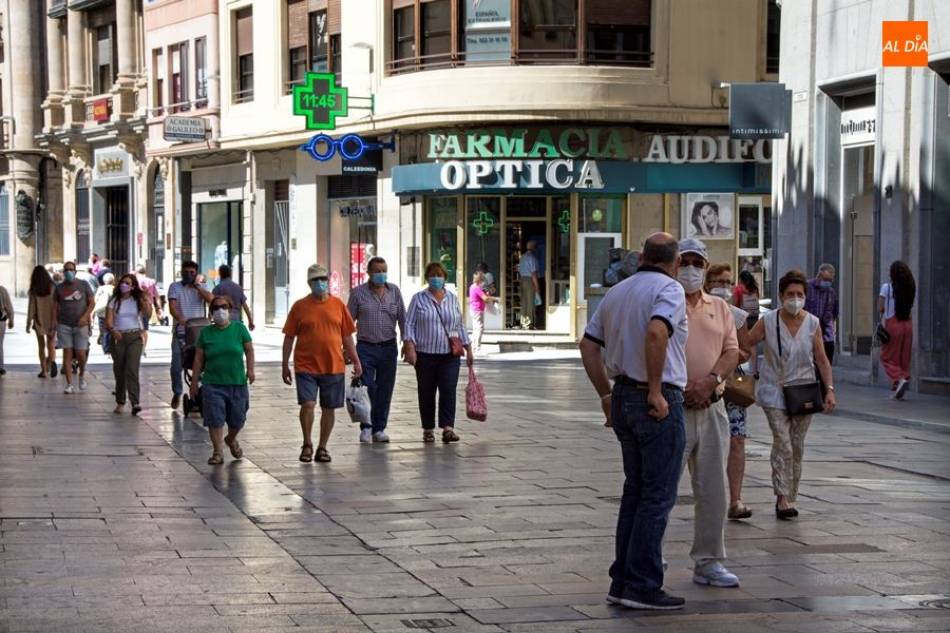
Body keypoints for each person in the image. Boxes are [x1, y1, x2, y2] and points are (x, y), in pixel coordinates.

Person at [579, 232, 688, 611]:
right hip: (653, 398)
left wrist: (605, 395)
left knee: (635, 492)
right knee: (657, 495)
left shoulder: (617, 292)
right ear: (674, 262)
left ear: (642, 257)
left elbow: (588, 344)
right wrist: (656, 390)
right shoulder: (669, 290)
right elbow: (658, 332)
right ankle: (642, 583)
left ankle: (622, 579)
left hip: (622, 394)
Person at [671, 240, 741, 588]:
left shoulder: (720, 307)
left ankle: (710, 561)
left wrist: (711, 380)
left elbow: (732, 351)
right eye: (685, 261)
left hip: (712, 407)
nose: (691, 269)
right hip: (673, 408)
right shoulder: (665, 300)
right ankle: (649, 559)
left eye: (697, 262)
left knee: (714, 490)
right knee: (662, 490)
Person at [748, 269, 836, 519]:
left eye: (799, 294)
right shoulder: (769, 321)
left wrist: (829, 389)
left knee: (796, 445)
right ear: (780, 295)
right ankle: (782, 497)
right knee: (783, 442)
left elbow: (822, 359)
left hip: (803, 391)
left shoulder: (812, 323)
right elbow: (747, 342)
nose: (795, 299)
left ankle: (790, 493)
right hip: (774, 389)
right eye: (790, 294)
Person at [282, 264, 362, 463]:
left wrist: (357, 362)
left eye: (323, 279)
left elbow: (347, 337)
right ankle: (307, 444)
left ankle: (322, 447)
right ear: (309, 283)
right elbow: (289, 337)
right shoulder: (299, 307)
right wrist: (285, 364)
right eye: (315, 280)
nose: (320, 283)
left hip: (333, 364)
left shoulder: (338, 305)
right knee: (308, 404)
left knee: (329, 408)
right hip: (305, 365)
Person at [403, 262, 474, 444]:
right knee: (426, 392)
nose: (436, 278)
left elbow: (459, 324)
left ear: (444, 278)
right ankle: (428, 428)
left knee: (448, 390)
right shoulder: (418, 298)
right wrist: (409, 345)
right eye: (433, 275)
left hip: (449, 354)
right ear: (427, 278)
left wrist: (468, 348)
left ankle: (448, 428)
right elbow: (409, 323)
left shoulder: (452, 298)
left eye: (439, 275)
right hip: (425, 354)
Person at [705, 264, 753, 520]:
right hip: (703, 385)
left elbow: (747, 350)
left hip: (731, 387)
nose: (722, 287)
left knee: (736, 440)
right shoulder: (697, 312)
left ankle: (735, 499)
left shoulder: (738, 316)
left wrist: (731, 355)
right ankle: (708, 497)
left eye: (727, 282)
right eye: (717, 281)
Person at [347, 257, 405, 444]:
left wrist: (408, 342)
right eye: (377, 271)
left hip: (388, 347)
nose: (381, 274)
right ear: (369, 273)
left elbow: (403, 319)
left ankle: (379, 428)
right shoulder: (358, 294)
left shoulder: (394, 291)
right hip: (365, 347)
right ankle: (366, 426)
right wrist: (345, 348)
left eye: (384, 270)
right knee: (367, 387)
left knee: (385, 388)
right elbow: (347, 323)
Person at [191, 295, 255, 465]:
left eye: (224, 307)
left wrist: (251, 370)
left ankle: (231, 438)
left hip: (237, 383)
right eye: (217, 308)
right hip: (213, 383)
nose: (221, 310)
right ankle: (217, 451)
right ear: (211, 312)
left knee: (238, 419)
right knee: (215, 419)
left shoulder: (239, 329)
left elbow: (249, 350)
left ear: (230, 309)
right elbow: (198, 360)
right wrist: (194, 383)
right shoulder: (206, 333)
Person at [167, 261, 213, 409]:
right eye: (185, 272)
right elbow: (172, 307)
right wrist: (180, 319)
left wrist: (199, 287)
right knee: (176, 366)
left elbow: (212, 300)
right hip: (181, 332)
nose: (188, 275)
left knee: (199, 365)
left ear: (196, 273)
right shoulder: (175, 287)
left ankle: (198, 393)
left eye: (192, 273)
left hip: (198, 332)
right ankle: (177, 391)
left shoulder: (202, 287)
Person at [105, 274, 152, 416]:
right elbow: (108, 320)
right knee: (119, 370)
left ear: (133, 286)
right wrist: (113, 330)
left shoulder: (137, 300)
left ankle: (135, 402)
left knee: (132, 368)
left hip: (134, 336)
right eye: (122, 282)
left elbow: (148, 315)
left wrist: (146, 301)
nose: (124, 285)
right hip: (118, 337)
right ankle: (120, 401)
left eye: (127, 283)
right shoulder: (114, 301)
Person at [55, 261, 95, 394]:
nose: (68, 272)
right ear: (63, 272)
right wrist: (54, 323)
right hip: (64, 324)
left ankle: (82, 374)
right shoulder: (59, 288)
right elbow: (55, 306)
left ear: (75, 271)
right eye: (66, 270)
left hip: (81, 325)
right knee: (67, 354)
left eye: (71, 269)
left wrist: (85, 317)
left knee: (81, 354)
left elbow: (92, 302)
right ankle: (69, 384)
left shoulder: (83, 285)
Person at [879, 261, 916, 399]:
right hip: (908, 324)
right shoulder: (910, 287)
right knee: (903, 357)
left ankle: (900, 378)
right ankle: (898, 387)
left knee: (887, 357)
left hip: (893, 324)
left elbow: (880, 308)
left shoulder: (886, 287)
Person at [27, 265, 58, 378]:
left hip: (39, 321)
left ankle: (44, 371)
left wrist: (28, 324)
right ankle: (51, 362)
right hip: (52, 320)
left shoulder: (34, 289)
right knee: (51, 344)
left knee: (41, 346)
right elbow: (57, 304)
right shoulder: (53, 287)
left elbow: (31, 308)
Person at [805, 264, 839, 364]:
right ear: (819, 276)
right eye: (826, 279)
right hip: (809, 331)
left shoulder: (831, 293)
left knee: (826, 362)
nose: (828, 282)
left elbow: (834, 313)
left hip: (826, 334)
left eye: (830, 280)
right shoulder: (807, 287)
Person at [212, 264, 255, 330]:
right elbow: (245, 306)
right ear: (230, 274)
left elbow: (211, 304)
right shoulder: (238, 287)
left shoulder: (218, 288)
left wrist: (209, 320)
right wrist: (250, 321)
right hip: (236, 320)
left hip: (222, 321)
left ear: (220, 274)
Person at [469, 270, 499, 354]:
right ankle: (477, 348)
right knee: (479, 329)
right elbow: (485, 298)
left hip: (473, 310)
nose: (483, 282)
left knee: (475, 329)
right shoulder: (477, 288)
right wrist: (494, 298)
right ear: (479, 280)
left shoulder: (472, 286)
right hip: (478, 311)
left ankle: (473, 347)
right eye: (482, 279)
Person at [518, 240, 540, 329]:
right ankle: (529, 324)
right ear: (534, 248)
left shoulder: (522, 257)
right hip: (529, 281)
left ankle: (523, 323)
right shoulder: (532, 258)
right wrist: (537, 287)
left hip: (522, 280)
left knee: (524, 301)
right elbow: (533, 274)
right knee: (531, 302)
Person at [94, 273, 116, 354]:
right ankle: (109, 347)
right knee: (110, 330)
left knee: (103, 330)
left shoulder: (101, 289)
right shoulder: (114, 289)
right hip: (111, 313)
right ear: (113, 280)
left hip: (101, 313)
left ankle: (105, 348)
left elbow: (96, 299)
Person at [0, 282, 13, 376]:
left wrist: (11, 318)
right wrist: (11, 318)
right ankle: (0, 367)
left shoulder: (2, 290)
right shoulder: (2, 290)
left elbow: (8, 306)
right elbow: (9, 306)